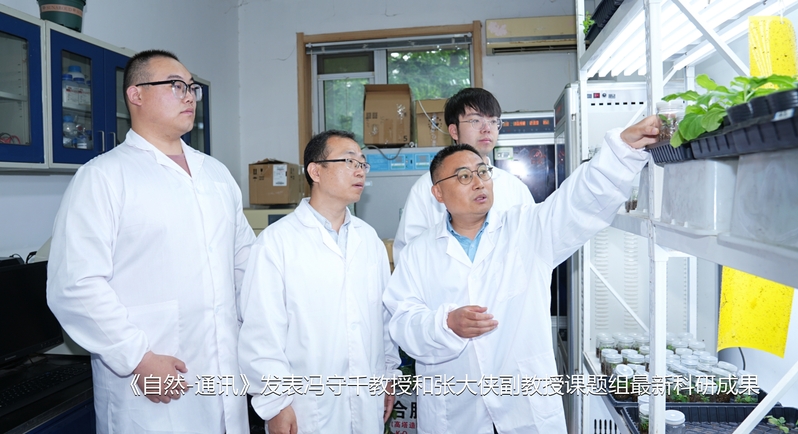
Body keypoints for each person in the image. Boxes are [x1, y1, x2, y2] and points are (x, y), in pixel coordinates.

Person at [383, 116, 661, 434]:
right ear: (438, 193)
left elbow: (577, 202)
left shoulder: (527, 228)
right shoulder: (418, 252)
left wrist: (620, 151)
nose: (479, 183)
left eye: (482, 172)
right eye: (464, 176)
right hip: (455, 410)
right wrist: (446, 325)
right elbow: (402, 321)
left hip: (523, 403)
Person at [47, 49, 255, 434]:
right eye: (176, 86)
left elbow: (245, 264)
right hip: (148, 384)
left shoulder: (217, 175)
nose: (189, 95)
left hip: (224, 376)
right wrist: (138, 358)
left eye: (192, 87)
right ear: (136, 94)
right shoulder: (103, 177)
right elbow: (75, 285)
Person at [238, 130, 400, 434]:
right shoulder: (276, 242)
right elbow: (261, 333)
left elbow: (383, 318)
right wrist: (275, 404)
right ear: (315, 171)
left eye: (362, 163)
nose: (359, 171)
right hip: (305, 408)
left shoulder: (369, 240)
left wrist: (388, 376)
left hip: (367, 399)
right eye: (349, 161)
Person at [393, 88, 534, 262]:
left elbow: (534, 245)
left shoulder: (515, 188)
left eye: (493, 121)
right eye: (476, 120)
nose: (486, 128)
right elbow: (407, 255)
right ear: (454, 131)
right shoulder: (427, 187)